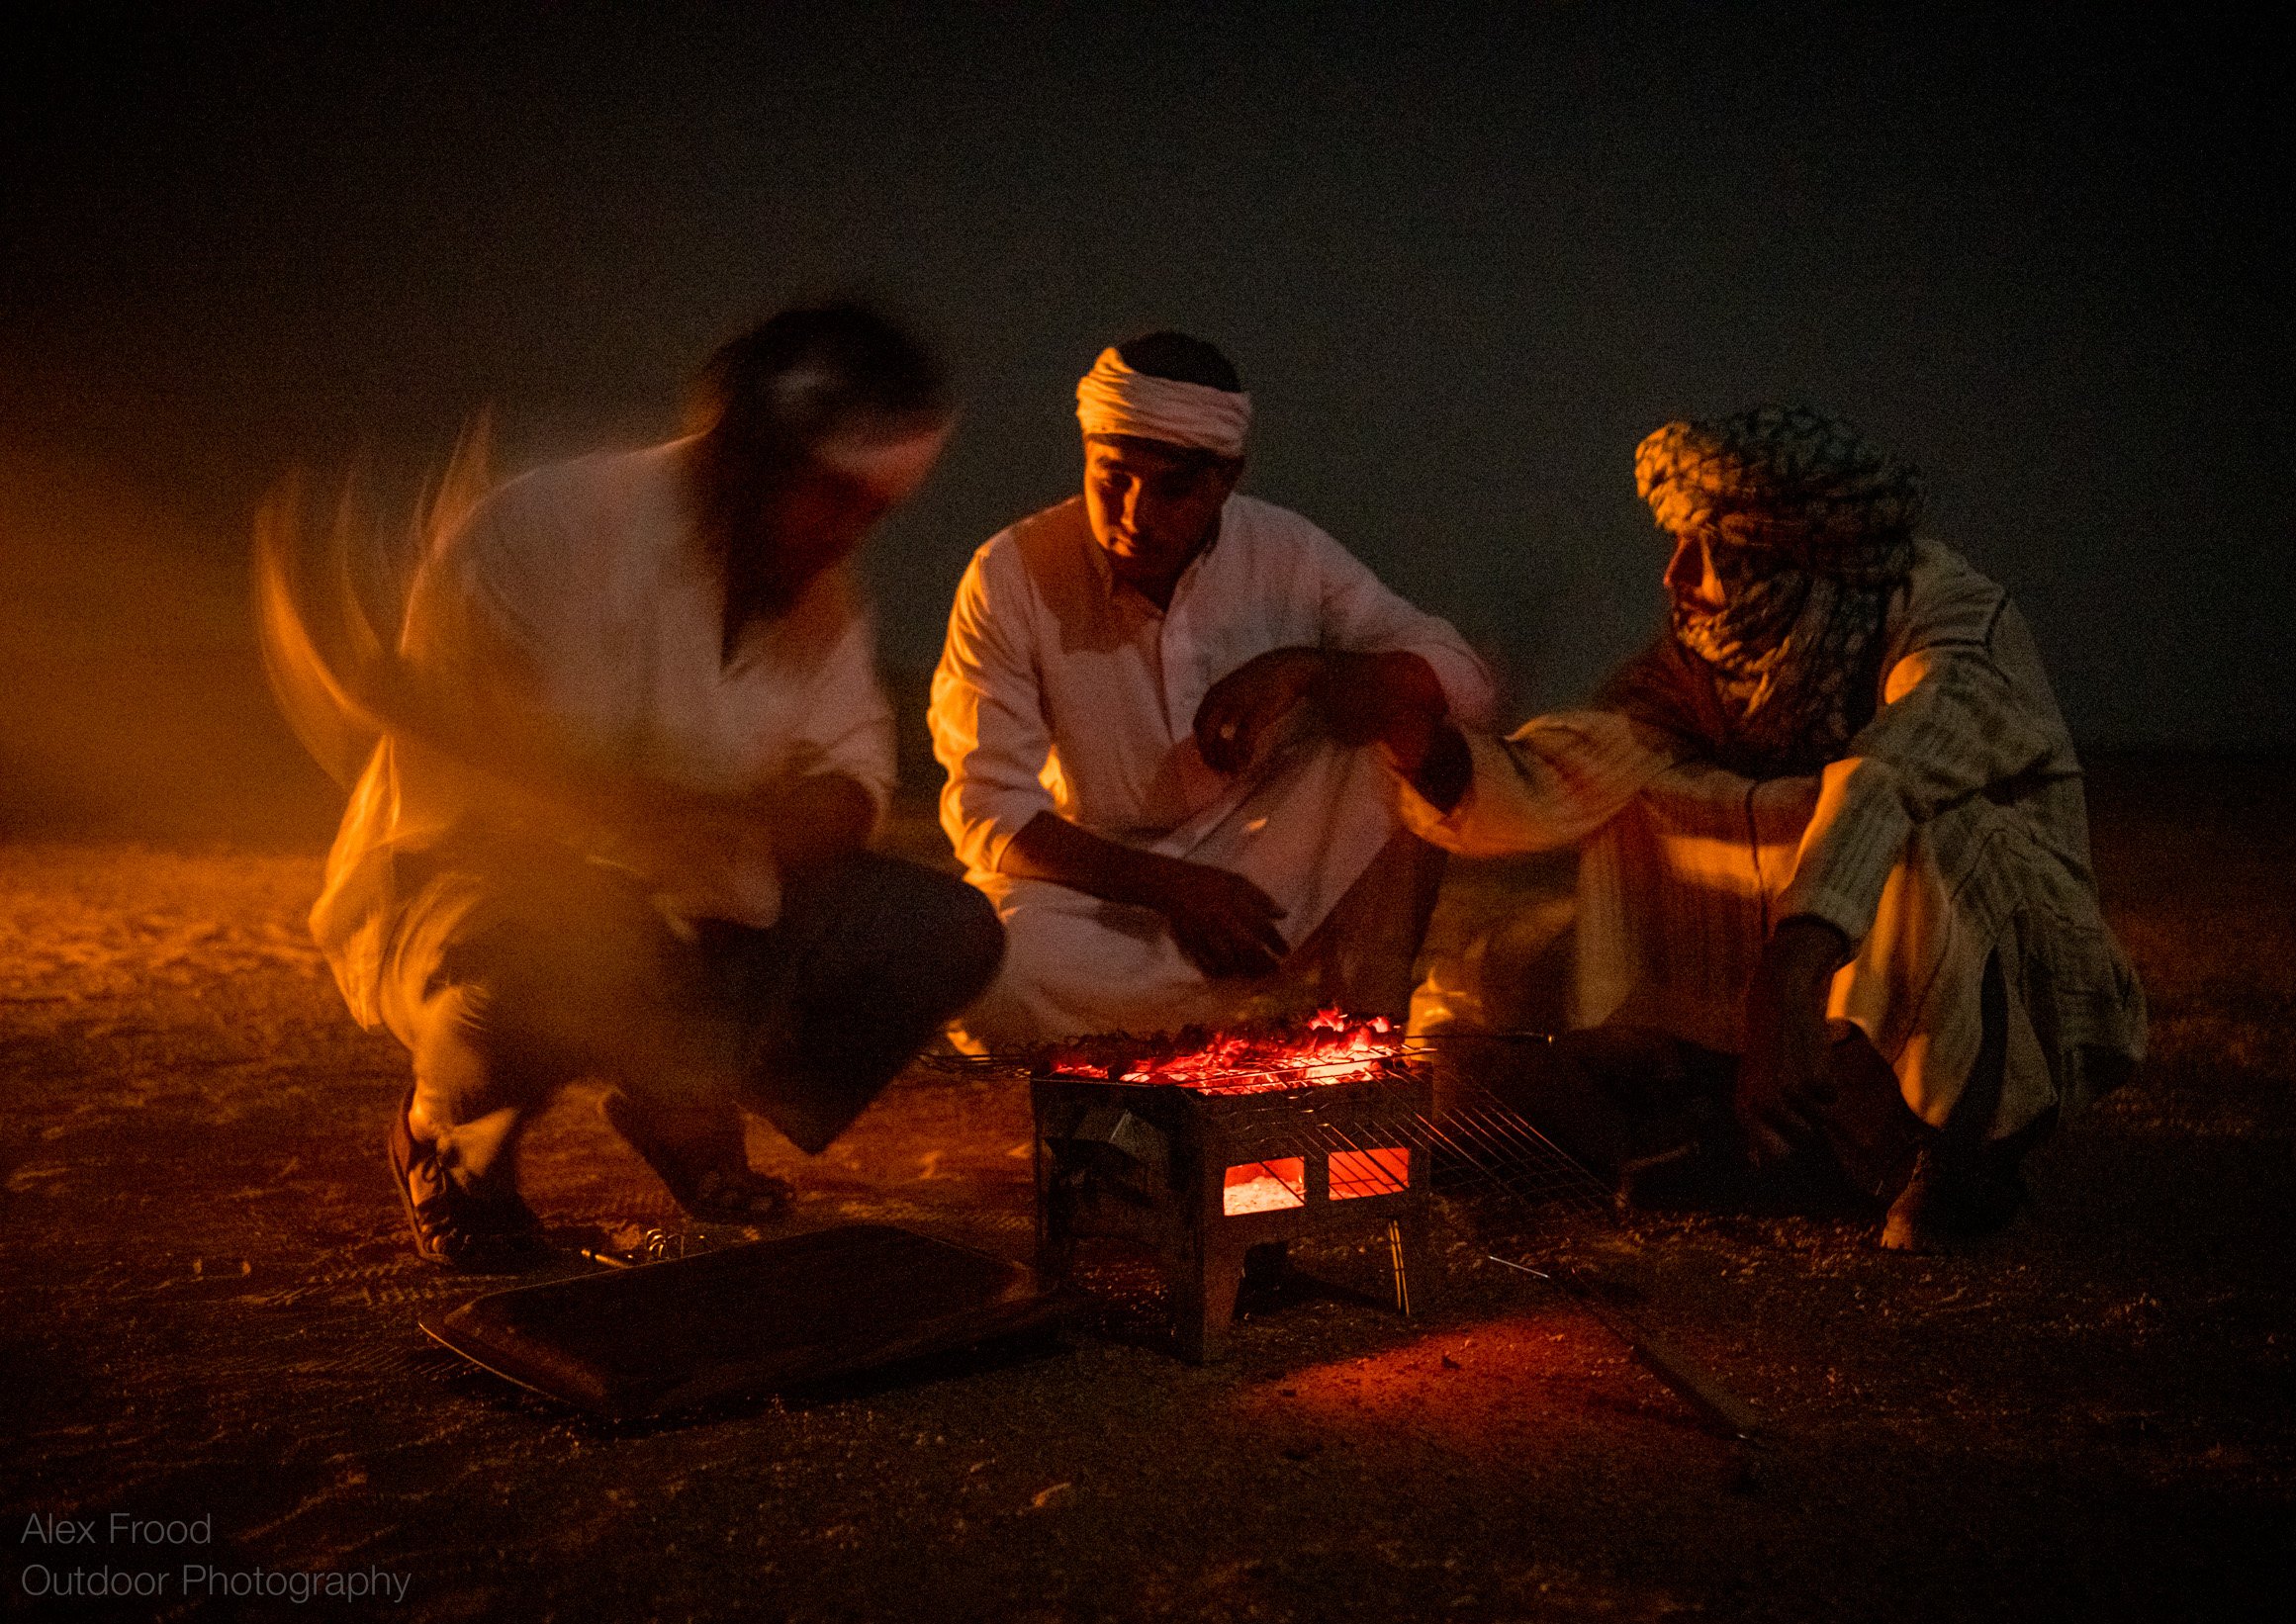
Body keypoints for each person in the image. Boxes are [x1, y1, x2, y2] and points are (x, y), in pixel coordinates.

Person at [268, 304, 1005, 1269]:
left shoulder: (820, 601)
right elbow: (464, 747)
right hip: (488, 893)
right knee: (572, 951)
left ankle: (681, 1086)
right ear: (748, 459)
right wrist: (644, 813)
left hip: (701, 899)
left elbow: (854, 780)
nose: (846, 534)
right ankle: (449, 1137)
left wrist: (759, 826)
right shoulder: (549, 525)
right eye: (831, 497)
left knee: (944, 929)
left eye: (872, 511)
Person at [1378, 406, 2145, 1249]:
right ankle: (1741, 1136)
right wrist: (1426, 750)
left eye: (1714, 552)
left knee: (1928, 841)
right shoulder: (1710, 658)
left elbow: (1889, 775)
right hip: (1780, 1004)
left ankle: (1953, 1156)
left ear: (1799, 560)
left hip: (1985, 961)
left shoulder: (1953, 626)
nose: (1678, 576)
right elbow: (1581, 758)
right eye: (1676, 545)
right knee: (1531, 943)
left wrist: (1793, 970)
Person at [930, 332, 1494, 1049]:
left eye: (1173, 488)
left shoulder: (1288, 553)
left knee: (1404, 731)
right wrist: (1173, 889)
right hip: (1102, 891)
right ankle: (1210, 1019)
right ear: (1087, 452)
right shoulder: (1010, 574)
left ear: (1228, 477)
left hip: (1265, 876)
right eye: (1113, 478)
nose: (1135, 515)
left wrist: (1310, 669)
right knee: (984, 974)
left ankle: (1360, 1032)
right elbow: (987, 809)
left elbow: (1463, 680)